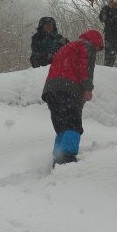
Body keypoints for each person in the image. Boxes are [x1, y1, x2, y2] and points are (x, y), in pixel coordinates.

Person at [41, 29, 104, 165]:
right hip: (68, 89)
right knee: (73, 125)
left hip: (51, 90)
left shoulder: (68, 47)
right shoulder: (87, 46)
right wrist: (87, 88)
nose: (97, 50)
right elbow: (84, 67)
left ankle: (58, 158)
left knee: (62, 126)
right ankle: (66, 158)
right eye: (99, 47)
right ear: (96, 41)